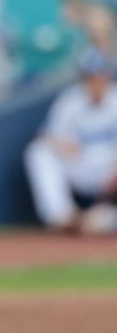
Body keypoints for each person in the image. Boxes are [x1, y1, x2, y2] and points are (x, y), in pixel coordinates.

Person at [24, 46, 117, 235]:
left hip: (110, 166)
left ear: (106, 76)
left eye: (98, 76)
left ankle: (103, 219)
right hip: (81, 164)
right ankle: (62, 217)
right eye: (89, 77)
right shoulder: (71, 100)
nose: (94, 82)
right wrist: (59, 143)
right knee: (38, 152)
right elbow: (45, 136)